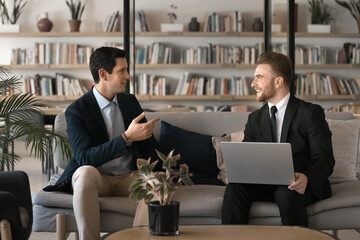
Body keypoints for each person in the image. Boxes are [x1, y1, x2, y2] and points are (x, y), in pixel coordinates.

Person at [44, 46, 160, 240]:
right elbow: (84, 157)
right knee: (85, 172)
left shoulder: (129, 102)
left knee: (155, 182)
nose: (128, 76)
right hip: (97, 177)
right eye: (122, 71)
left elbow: (148, 145)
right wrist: (126, 138)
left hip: (127, 176)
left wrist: (168, 167)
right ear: (103, 74)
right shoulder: (77, 111)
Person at [221, 52, 335, 227]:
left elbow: (325, 159)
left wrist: (306, 177)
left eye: (259, 77)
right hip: (265, 184)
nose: (253, 84)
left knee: (285, 194)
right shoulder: (255, 118)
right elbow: (247, 157)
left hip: (299, 185)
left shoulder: (310, 113)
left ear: (278, 81)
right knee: (234, 189)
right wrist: (238, 172)